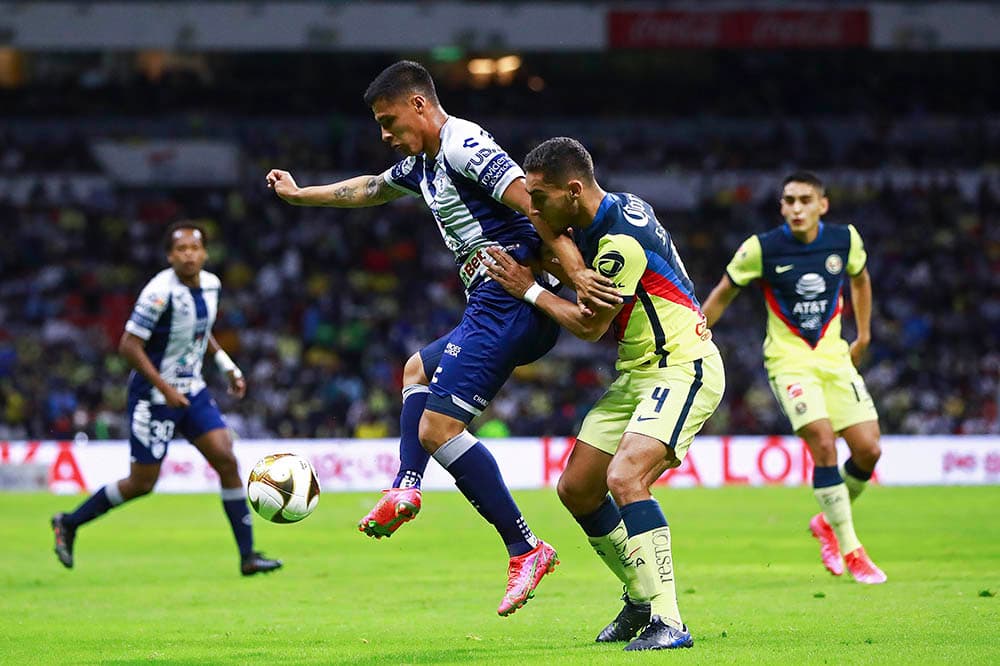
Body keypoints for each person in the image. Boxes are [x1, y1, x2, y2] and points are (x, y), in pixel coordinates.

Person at [265, 61, 618, 615]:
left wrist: (574, 274)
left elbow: (533, 202)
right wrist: (301, 194)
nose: (384, 134)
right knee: (416, 372)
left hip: (510, 296)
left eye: (389, 121)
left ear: (420, 105)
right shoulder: (422, 164)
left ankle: (525, 546)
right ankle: (406, 486)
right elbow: (368, 189)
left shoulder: (462, 143)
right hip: (492, 302)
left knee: (438, 427)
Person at [485, 137, 725, 651]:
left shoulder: (621, 243)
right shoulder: (617, 207)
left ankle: (669, 620)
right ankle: (640, 597)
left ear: (573, 190)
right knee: (576, 488)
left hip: (682, 366)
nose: (534, 206)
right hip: (637, 373)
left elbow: (588, 326)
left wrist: (527, 287)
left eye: (541, 197)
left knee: (626, 476)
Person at [50, 222, 282, 576]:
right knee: (142, 483)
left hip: (192, 390)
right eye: (181, 249)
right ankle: (69, 522)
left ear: (204, 253)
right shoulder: (158, 292)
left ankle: (248, 556)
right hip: (154, 397)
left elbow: (202, 334)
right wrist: (165, 388)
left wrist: (227, 366)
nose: (188, 255)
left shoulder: (211, 285)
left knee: (226, 459)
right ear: (169, 255)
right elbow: (129, 346)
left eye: (194, 248)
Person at [701, 171, 886, 584]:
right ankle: (851, 548)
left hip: (835, 358)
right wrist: (692, 335)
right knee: (823, 443)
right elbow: (723, 293)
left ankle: (826, 522)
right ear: (781, 206)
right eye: (788, 201)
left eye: (805, 200)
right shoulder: (760, 249)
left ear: (823, 204)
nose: (796, 208)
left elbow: (861, 278)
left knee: (869, 450)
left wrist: (866, 332)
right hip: (789, 363)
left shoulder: (846, 240)